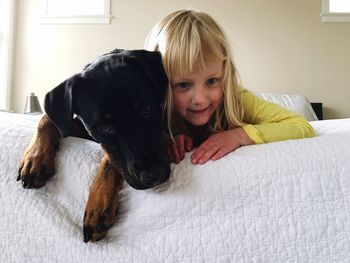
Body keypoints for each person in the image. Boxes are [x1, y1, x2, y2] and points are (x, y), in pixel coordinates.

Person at [144, 10, 314, 165]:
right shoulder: (154, 110)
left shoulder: (237, 99)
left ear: (225, 74)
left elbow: (300, 125)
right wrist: (168, 138)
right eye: (183, 85)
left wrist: (240, 135)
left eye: (211, 81)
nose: (200, 99)